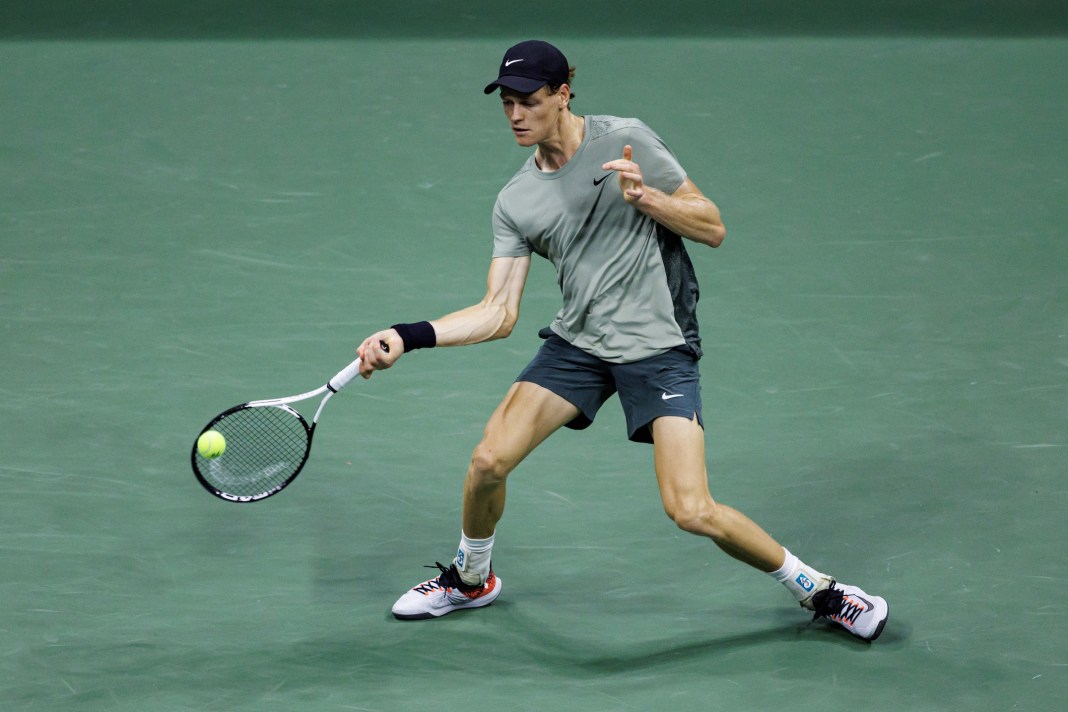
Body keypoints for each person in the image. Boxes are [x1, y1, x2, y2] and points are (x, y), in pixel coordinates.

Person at [357, 40, 888, 641]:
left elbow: (711, 226)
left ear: (563, 94)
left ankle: (820, 592)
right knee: (487, 462)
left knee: (690, 509)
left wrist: (649, 199)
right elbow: (497, 312)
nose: (515, 115)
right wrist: (408, 336)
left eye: (528, 101)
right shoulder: (515, 200)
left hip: (658, 344)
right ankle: (471, 578)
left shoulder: (626, 140)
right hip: (579, 345)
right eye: (506, 103)